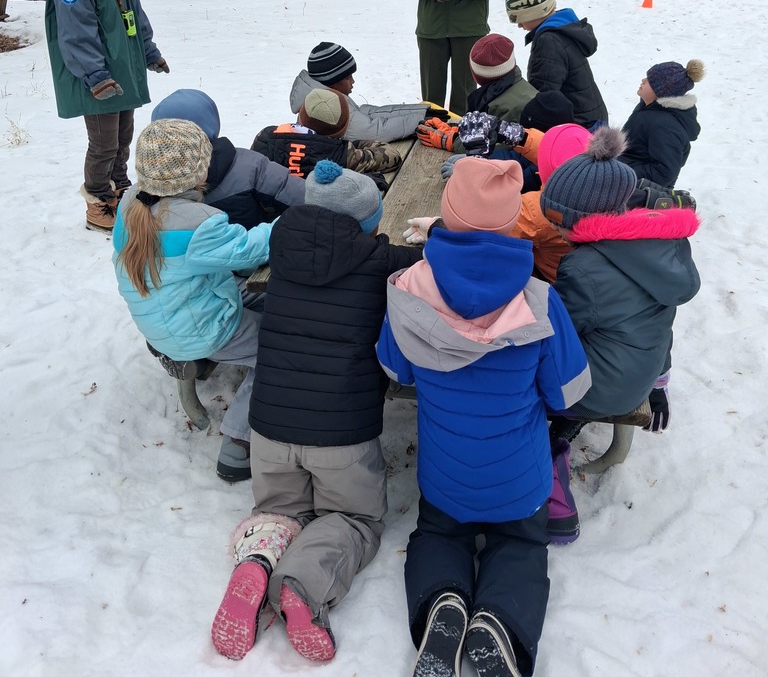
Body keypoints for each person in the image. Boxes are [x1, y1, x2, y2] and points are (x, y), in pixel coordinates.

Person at [377, 157, 591, 677]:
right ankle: (501, 621)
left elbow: (395, 368)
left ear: (447, 216)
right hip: (520, 482)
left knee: (438, 536)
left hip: (445, 478)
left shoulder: (407, 289)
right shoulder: (540, 300)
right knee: (520, 543)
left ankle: (439, 604)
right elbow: (566, 394)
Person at [210, 160, 422, 664]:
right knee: (352, 517)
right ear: (369, 221)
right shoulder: (381, 259)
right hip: (340, 435)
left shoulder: (282, 247)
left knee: (280, 509)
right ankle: (302, 588)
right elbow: (434, 261)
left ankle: (258, 559)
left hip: (269, 429)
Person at [539, 127, 701, 541]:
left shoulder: (584, 268)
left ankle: (550, 468)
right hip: (640, 371)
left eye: (559, 224)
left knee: (521, 376)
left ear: (586, 220)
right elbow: (658, 316)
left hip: (600, 387)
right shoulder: (661, 243)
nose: (555, 233)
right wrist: (659, 381)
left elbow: (557, 336)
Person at [112, 118, 274, 482]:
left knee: (266, 299)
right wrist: (285, 222)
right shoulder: (198, 223)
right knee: (278, 351)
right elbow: (250, 251)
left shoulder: (130, 203)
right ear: (199, 169)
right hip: (200, 330)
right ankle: (238, 442)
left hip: (165, 317)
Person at [44, 0, 169, 232]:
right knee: (103, 143)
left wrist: (149, 51)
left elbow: (133, 10)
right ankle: (99, 201)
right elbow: (75, 31)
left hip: (119, 69)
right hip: (96, 77)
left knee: (123, 137)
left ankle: (120, 188)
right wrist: (95, 76)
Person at [150, 88, 305, 229]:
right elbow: (304, 196)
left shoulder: (145, 190)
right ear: (212, 123)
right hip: (256, 255)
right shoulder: (248, 166)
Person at [505, 0, 608, 128]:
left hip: (580, 125)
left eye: (519, 19)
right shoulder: (564, 27)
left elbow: (544, 96)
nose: (519, 26)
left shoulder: (548, 42)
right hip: (593, 117)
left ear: (534, 12)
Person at [289, 41, 427, 141]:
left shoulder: (321, 95)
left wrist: (420, 111)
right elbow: (375, 131)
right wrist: (422, 121)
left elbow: (364, 113)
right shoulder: (327, 108)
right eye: (348, 77)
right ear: (332, 81)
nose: (353, 82)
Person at [253, 87, 401, 178]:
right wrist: (356, 144)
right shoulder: (340, 154)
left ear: (301, 115)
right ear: (342, 129)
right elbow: (392, 157)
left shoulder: (266, 137)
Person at [619, 59, 705, 187]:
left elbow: (664, 173)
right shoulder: (648, 107)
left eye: (649, 81)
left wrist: (617, 172)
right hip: (623, 174)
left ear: (661, 92)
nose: (643, 80)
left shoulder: (665, 125)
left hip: (638, 189)